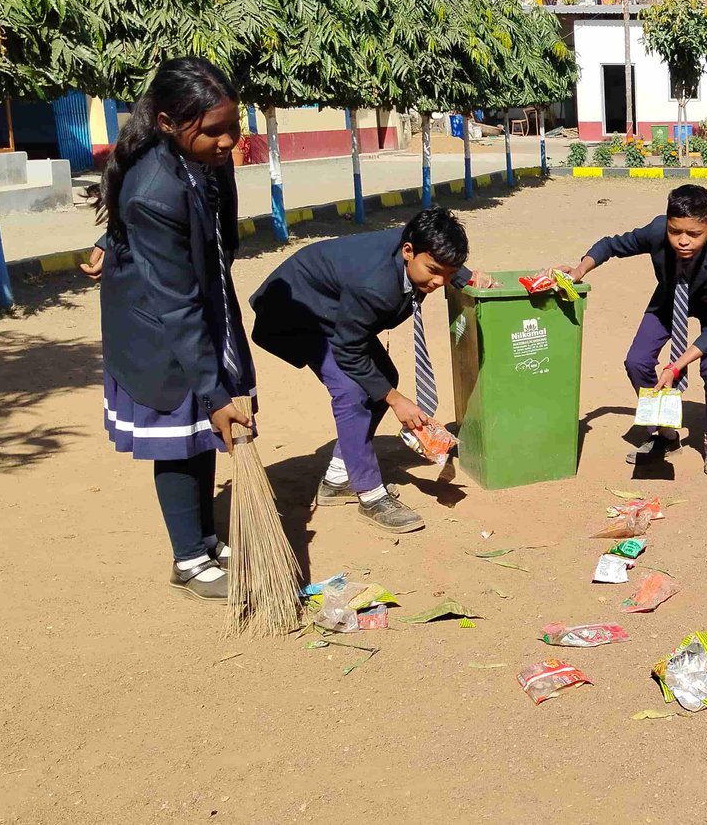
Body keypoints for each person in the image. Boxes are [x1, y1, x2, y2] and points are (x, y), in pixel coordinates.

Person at [96, 57, 254, 603]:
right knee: (179, 438)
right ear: (167, 122)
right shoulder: (153, 189)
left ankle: (204, 538)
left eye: (234, 125)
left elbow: (213, 229)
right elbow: (177, 303)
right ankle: (189, 560)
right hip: (158, 325)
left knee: (202, 433)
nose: (228, 141)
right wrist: (215, 391)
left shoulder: (200, 153)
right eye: (214, 131)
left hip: (193, 300)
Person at [249, 208, 482, 533]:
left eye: (449, 272)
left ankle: (336, 480)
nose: (439, 282)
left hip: (334, 310)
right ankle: (371, 495)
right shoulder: (373, 284)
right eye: (433, 271)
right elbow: (348, 349)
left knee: (380, 381)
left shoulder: (418, 247)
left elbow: (441, 260)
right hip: (296, 312)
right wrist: (396, 400)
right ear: (408, 252)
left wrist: (467, 277)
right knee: (352, 391)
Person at [556, 184, 707, 477]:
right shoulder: (657, 231)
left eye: (693, 234)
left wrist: (675, 366)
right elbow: (611, 245)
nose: (682, 241)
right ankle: (666, 435)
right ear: (667, 224)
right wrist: (579, 271)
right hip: (671, 295)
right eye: (675, 231)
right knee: (637, 361)